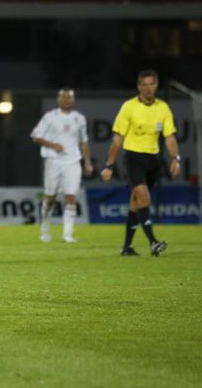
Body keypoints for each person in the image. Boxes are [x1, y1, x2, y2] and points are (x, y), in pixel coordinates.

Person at [100, 69, 180, 256]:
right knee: (144, 199)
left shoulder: (163, 108)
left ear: (156, 85)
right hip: (134, 158)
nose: (148, 88)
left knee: (136, 203)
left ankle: (126, 247)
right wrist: (109, 165)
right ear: (138, 87)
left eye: (151, 84)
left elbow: (169, 137)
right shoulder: (129, 107)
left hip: (153, 160)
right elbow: (118, 139)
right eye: (144, 84)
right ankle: (153, 242)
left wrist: (175, 158)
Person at [31, 88, 93, 243]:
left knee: (71, 196)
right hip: (53, 161)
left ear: (73, 100)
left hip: (73, 161)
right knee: (50, 197)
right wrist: (52, 145)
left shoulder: (79, 118)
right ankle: (45, 226)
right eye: (64, 97)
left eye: (69, 97)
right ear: (59, 99)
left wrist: (87, 161)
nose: (66, 100)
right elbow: (35, 136)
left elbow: (84, 141)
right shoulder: (50, 117)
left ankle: (68, 234)